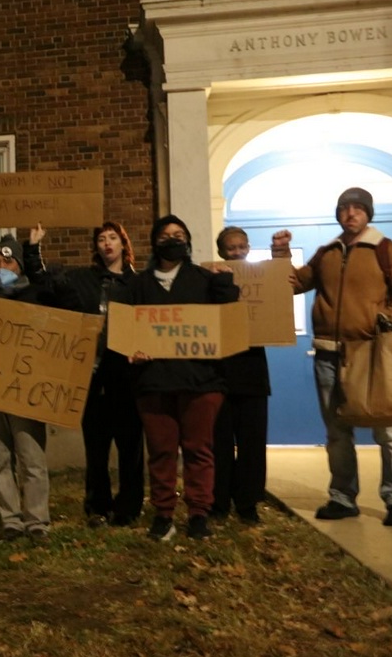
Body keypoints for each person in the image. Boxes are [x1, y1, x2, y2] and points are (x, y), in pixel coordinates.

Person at [288, 187, 392, 527]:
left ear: (368, 213)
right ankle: (342, 497)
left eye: (358, 208)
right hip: (327, 355)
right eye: (344, 208)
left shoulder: (388, 250)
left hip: (372, 354)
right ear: (338, 214)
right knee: (337, 433)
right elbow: (293, 283)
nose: (350, 214)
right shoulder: (326, 253)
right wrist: (280, 255)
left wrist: (384, 319)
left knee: (389, 431)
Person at [114, 215, 240, 542]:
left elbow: (229, 316)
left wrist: (225, 282)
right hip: (154, 382)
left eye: (180, 234)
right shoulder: (137, 286)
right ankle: (164, 514)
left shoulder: (204, 279)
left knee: (199, 450)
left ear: (188, 241)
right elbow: (123, 328)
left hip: (201, 381)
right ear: (155, 243)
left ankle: (199, 513)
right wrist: (131, 349)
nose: (173, 239)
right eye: (166, 235)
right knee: (161, 451)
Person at [43, 221, 145, 528]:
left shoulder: (137, 284)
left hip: (127, 376)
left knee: (130, 447)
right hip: (93, 376)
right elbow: (54, 294)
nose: (107, 243)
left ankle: (128, 507)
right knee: (96, 447)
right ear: (96, 247)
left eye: (113, 237)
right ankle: (98, 506)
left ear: (123, 244)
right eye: (101, 239)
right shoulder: (83, 280)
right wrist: (38, 256)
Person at [0, 227, 72, 541]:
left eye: (8, 262)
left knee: (31, 458)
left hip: (25, 391)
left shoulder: (36, 296)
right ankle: (11, 520)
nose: (1, 267)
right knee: (0, 458)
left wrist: (34, 251)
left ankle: (36, 521)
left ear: (19, 266)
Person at [210, 227, 289, 525]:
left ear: (248, 247)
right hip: (219, 374)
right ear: (221, 251)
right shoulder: (210, 279)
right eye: (231, 248)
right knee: (218, 443)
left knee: (252, 444)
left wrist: (280, 254)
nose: (237, 252)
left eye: (242, 246)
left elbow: (286, 286)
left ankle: (247, 503)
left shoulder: (263, 279)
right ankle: (218, 502)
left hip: (253, 373)